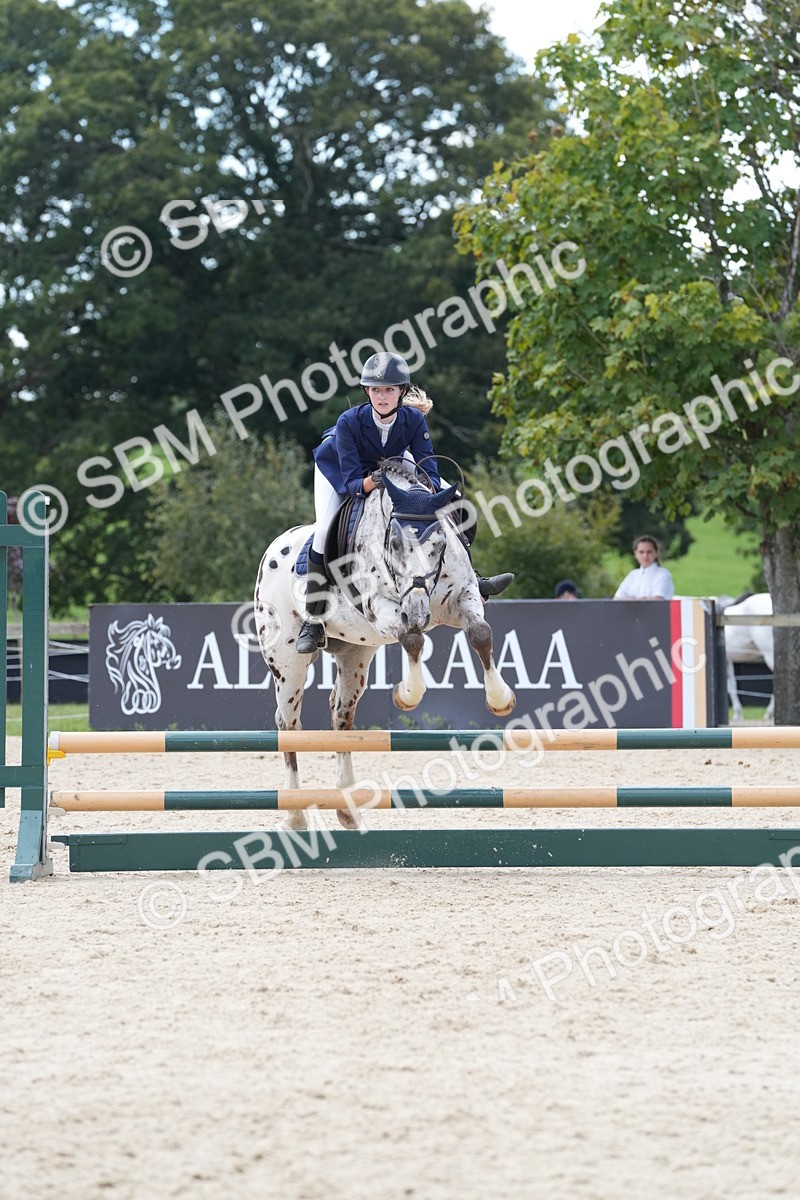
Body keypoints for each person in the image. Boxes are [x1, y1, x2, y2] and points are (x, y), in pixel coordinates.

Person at [296, 351, 514, 653]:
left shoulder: (411, 418)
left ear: (401, 392)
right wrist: (376, 481)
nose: (381, 396)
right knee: (323, 530)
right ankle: (313, 618)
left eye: (388, 390)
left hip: (390, 466)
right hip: (340, 469)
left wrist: (424, 493)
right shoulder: (348, 422)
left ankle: (471, 579)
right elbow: (352, 482)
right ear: (366, 391)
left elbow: (430, 471)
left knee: (457, 501)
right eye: (375, 390)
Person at [614, 535, 674, 600]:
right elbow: (617, 598)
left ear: (656, 553)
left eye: (649, 552)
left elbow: (658, 599)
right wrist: (640, 600)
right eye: (641, 552)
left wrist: (632, 600)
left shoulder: (663, 574)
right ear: (635, 554)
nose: (645, 556)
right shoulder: (632, 575)